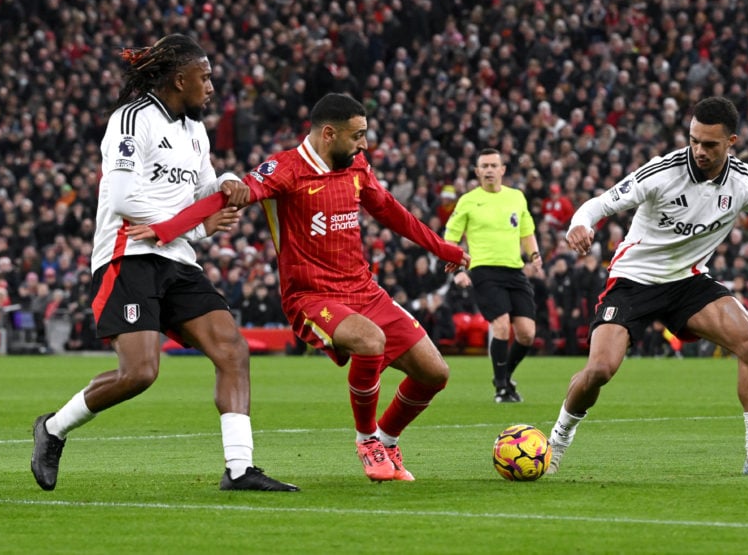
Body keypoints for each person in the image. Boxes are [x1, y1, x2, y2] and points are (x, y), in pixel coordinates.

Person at [130, 93, 470, 482]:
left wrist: (444, 248)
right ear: (329, 133)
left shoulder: (356, 165)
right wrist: (167, 229)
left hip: (363, 290)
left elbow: (391, 211)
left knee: (435, 373)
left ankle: (387, 439)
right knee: (370, 341)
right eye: (357, 135)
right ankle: (366, 440)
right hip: (311, 297)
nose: (364, 144)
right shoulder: (285, 169)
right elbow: (230, 196)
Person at [547, 97, 748, 477]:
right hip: (633, 281)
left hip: (688, 281)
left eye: (710, 144)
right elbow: (599, 205)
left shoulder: (743, 184)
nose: (699, 151)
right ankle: (557, 442)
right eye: (694, 141)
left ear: (731, 142)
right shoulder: (662, 172)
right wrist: (580, 223)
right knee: (601, 369)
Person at [30, 34, 298, 492]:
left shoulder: (194, 130)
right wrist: (194, 228)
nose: (212, 87)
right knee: (140, 373)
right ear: (180, 79)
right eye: (205, 77)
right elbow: (122, 197)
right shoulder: (132, 119)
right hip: (128, 254)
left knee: (232, 350)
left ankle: (239, 469)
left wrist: (228, 184)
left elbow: (203, 189)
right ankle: (53, 428)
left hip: (177, 259)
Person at [444, 148, 542, 403]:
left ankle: (505, 375)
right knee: (500, 326)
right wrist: (458, 270)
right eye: (483, 166)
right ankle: (501, 387)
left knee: (527, 333)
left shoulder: (516, 197)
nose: (488, 170)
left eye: (493, 165)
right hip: (483, 270)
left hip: (514, 270)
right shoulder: (467, 200)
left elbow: (527, 231)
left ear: (502, 170)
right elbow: (451, 238)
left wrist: (534, 255)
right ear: (477, 172)